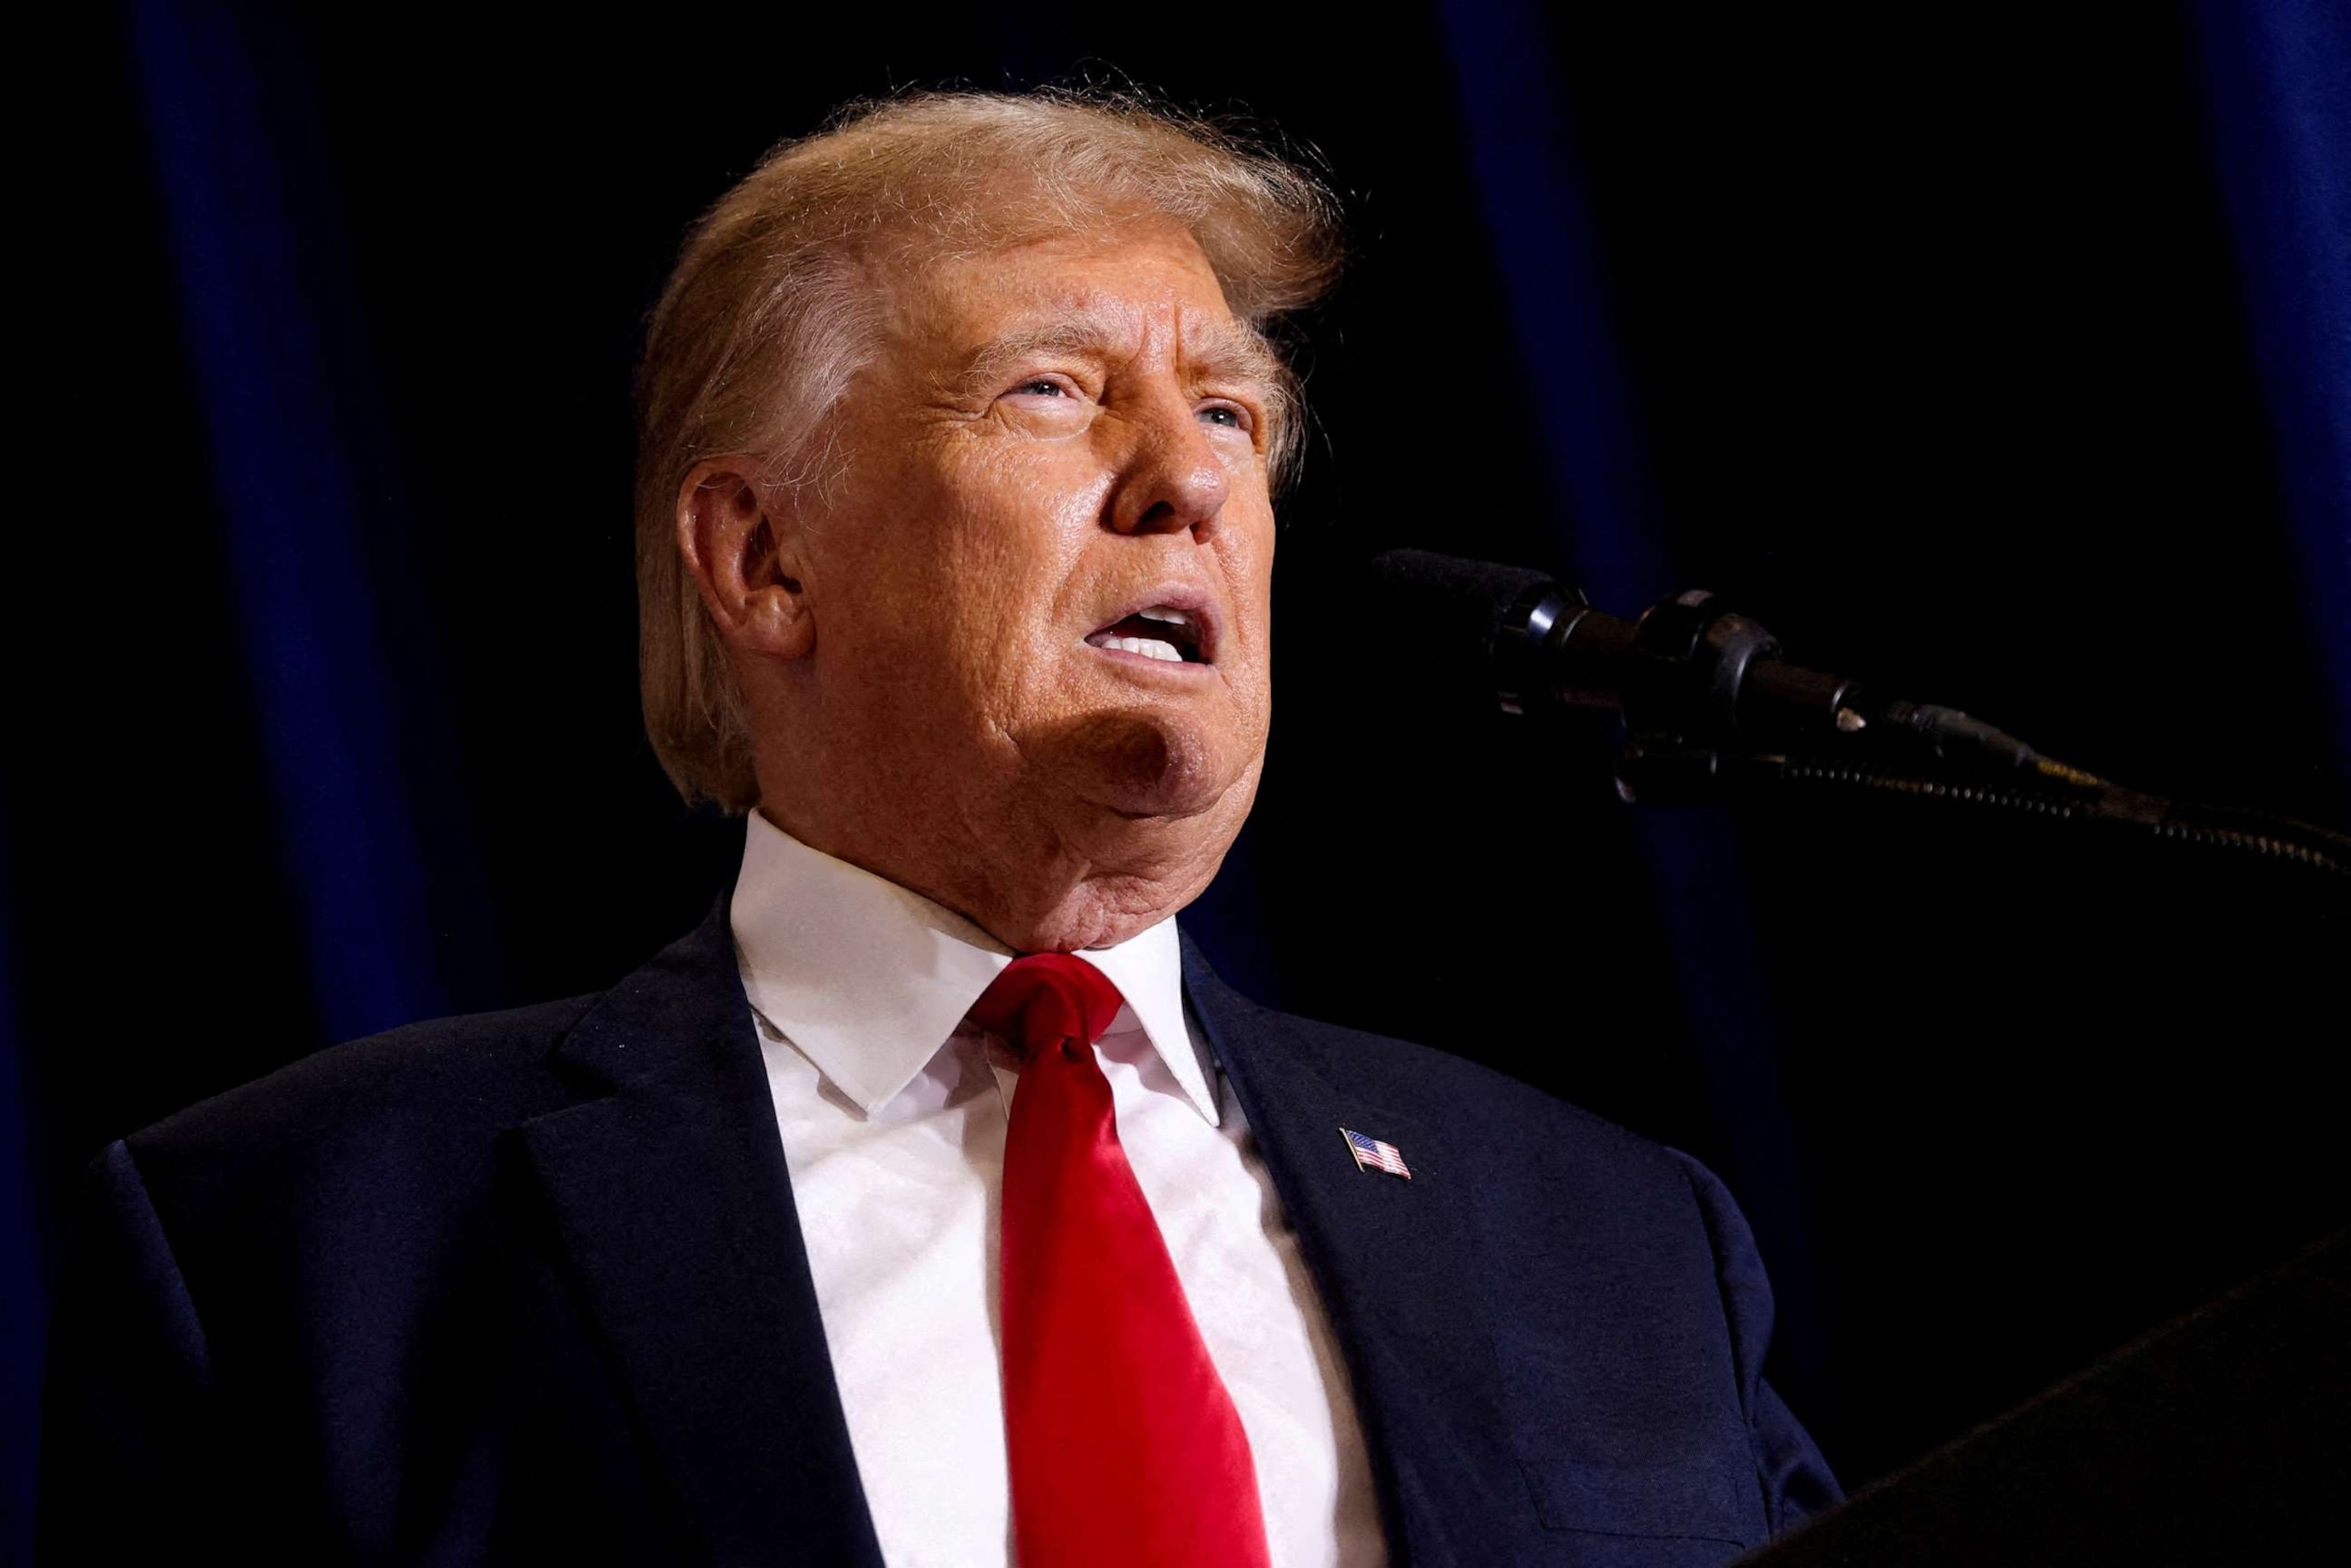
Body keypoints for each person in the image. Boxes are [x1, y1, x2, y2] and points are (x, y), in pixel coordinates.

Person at [38, 90, 1837, 1566]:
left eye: (1229, 411)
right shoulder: (309, 1257)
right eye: (1057, 389)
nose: (1194, 479)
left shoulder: (1617, 1241)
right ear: (765, 557)